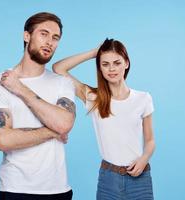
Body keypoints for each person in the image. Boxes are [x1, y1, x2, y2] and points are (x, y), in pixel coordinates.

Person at [0, 12, 76, 200]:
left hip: (58, 190)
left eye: (55, 37)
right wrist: (54, 130)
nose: (50, 41)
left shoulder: (62, 82)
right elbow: (3, 140)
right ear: (27, 36)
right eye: (44, 34)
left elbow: (65, 123)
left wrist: (20, 89)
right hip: (16, 189)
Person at [53, 38, 155, 200]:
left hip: (139, 179)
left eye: (117, 63)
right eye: (105, 64)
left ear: (126, 63)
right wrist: (94, 53)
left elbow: (150, 140)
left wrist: (143, 159)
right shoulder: (94, 98)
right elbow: (58, 68)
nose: (111, 69)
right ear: (99, 67)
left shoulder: (143, 98)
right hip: (109, 179)